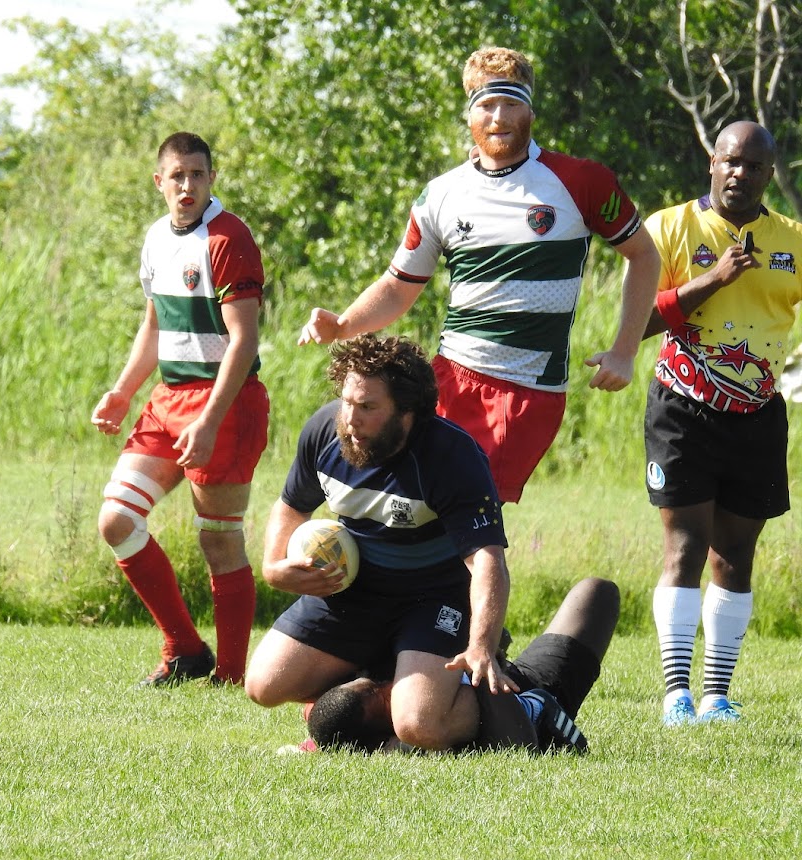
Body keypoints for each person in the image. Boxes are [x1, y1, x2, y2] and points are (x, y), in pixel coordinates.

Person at [297, 46, 660, 505]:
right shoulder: (442, 194)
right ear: (469, 113)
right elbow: (398, 285)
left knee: (470, 519)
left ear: (530, 108)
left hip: (524, 390)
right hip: (447, 377)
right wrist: (344, 324)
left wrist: (625, 351)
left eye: (512, 103)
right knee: (408, 508)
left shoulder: (580, 181)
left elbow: (644, 255)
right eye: (487, 104)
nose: (499, 117)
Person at [244, 334, 524, 753]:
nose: (350, 419)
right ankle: (382, 687)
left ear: (407, 413)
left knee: (419, 726)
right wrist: (272, 567)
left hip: (434, 599)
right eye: (347, 402)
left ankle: (484, 689)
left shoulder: (452, 457)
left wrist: (481, 643)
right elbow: (291, 506)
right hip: (353, 592)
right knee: (263, 685)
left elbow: (488, 562)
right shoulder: (325, 433)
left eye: (368, 407)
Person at [640, 121, 802, 726]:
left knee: (736, 553)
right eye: (731, 162)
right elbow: (641, 322)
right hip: (683, 409)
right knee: (685, 546)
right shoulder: (671, 227)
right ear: (712, 162)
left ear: (769, 173)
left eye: (754, 167)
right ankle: (675, 693)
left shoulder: (791, 238)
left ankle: (716, 696)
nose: (740, 174)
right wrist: (712, 280)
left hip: (757, 415)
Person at [92, 132, 268, 687]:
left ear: (211, 179)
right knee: (117, 519)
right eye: (177, 176)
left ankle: (233, 674)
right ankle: (186, 649)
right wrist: (123, 391)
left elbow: (243, 341)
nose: (187, 185)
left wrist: (211, 420)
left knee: (218, 538)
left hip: (226, 402)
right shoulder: (155, 238)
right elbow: (155, 323)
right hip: (167, 399)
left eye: (197, 174)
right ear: (159, 182)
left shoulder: (228, 237)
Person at [306, 577, 620, 753]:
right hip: (528, 709)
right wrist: (484, 663)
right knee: (599, 593)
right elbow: (519, 747)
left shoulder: (343, 719)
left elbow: (329, 724)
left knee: (595, 590)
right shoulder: (421, 738)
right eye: (381, 693)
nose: (387, 683)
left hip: (506, 678)